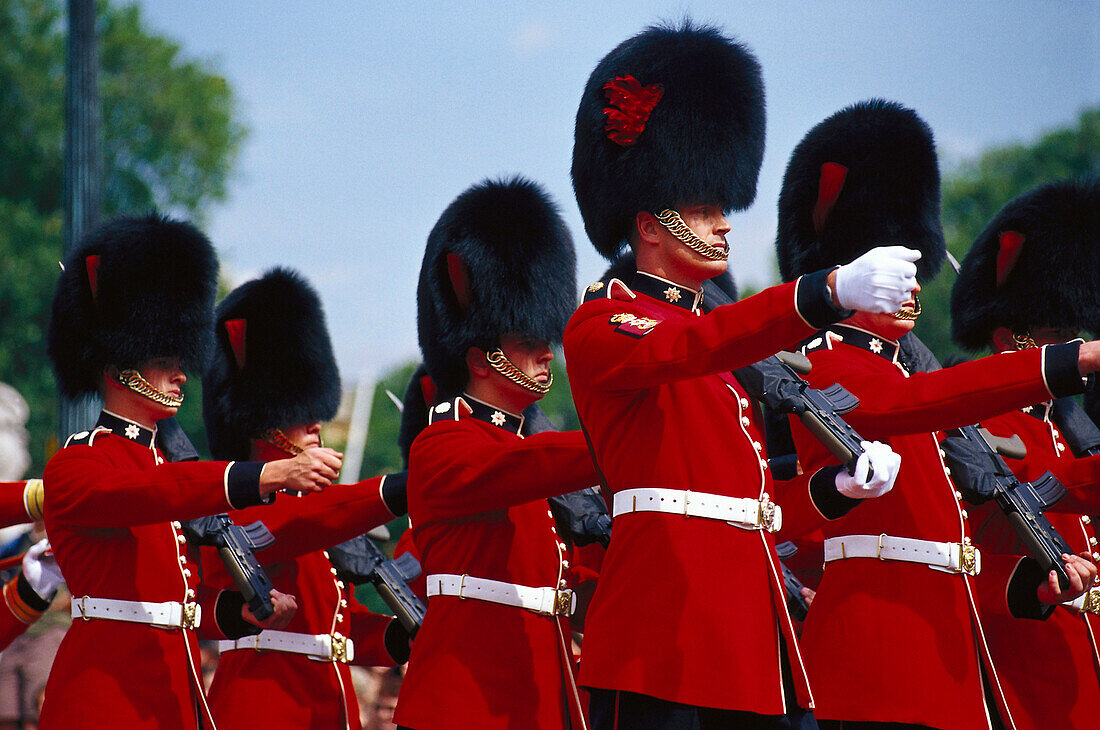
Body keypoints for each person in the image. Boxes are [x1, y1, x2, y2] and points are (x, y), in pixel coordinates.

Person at [565, 22, 911, 729]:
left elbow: (752, 510)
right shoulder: (607, 326)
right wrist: (826, 291)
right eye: (702, 208)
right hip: (664, 632)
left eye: (722, 207)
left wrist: (834, 490)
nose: (723, 225)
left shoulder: (721, 363)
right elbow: (697, 344)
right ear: (651, 224)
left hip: (747, 641)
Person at [775, 100, 1098, 730]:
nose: (915, 286)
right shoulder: (832, 369)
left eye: (917, 269)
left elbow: (952, 552)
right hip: (874, 669)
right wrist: (1070, 359)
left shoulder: (913, 380)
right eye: (895, 270)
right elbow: (913, 407)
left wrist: (1034, 584)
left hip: (946, 676)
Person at [39, 215, 342, 729]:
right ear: (118, 365)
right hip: (103, 703)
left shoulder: (163, 465)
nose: (182, 371)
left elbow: (175, 602)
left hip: (174, 700)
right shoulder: (77, 464)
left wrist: (232, 613)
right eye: (163, 358)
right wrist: (267, 476)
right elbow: (152, 492)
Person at [393, 177, 601, 729]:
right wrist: (619, 438)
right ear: (481, 357)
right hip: (465, 705)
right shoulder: (442, 446)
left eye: (544, 337)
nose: (544, 350)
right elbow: (518, 469)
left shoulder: (531, 461)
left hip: (541, 701)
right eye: (525, 339)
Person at [201, 267, 411, 730]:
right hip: (263, 705)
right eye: (300, 411)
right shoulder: (240, 504)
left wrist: (404, 637)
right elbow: (294, 528)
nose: (316, 421)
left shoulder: (316, 507)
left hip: (330, 707)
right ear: (264, 418)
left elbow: (341, 628)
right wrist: (400, 488)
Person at [946, 177, 1100, 730]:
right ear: (1011, 340)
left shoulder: (1071, 429)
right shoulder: (974, 425)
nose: (1080, 348)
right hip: (1019, 669)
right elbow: (958, 557)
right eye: (1061, 333)